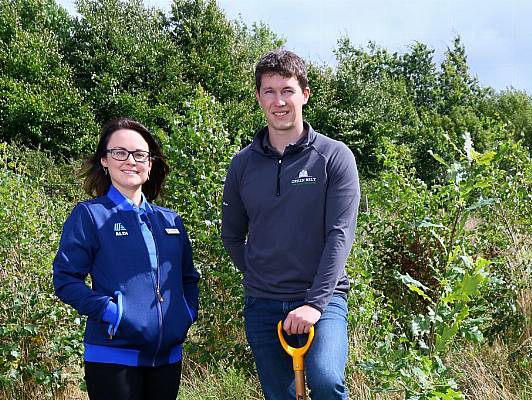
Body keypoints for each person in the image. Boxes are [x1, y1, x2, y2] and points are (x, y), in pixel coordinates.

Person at [221, 49, 360, 399]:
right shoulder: (242, 164)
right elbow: (233, 234)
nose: (278, 101)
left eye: (287, 90)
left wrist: (314, 303)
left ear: (304, 94)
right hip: (263, 304)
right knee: (278, 395)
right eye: (269, 91)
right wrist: (258, 275)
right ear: (258, 97)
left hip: (323, 300)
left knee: (327, 380)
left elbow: (339, 237)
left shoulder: (334, 157)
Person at [53, 117, 200, 400]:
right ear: (105, 161)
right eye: (119, 152)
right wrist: (113, 313)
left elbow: (188, 278)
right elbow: (66, 279)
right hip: (113, 356)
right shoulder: (90, 216)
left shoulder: (170, 220)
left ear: (150, 164)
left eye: (139, 154)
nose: (130, 160)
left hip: (168, 357)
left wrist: (186, 313)